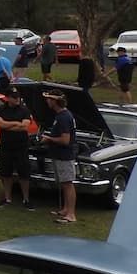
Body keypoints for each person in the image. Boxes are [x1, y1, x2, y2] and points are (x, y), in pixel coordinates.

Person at [0, 86, 34, 209]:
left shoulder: (24, 110)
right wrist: (16, 123)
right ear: (8, 98)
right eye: (14, 97)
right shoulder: (0, 109)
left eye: (18, 97)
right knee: (5, 173)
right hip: (6, 145)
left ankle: (26, 199)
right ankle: (7, 198)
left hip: (21, 146)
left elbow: (24, 126)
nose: (17, 99)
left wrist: (6, 125)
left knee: (24, 173)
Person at [41, 90, 77, 223]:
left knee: (68, 183)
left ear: (55, 101)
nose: (47, 101)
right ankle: (65, 209)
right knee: (63, 183)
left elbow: (65, 140)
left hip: (65, 156)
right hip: (58, 155)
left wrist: (48, 138)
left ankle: (71, 214)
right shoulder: (60, 116)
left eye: (49, 99)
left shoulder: (64, 117)